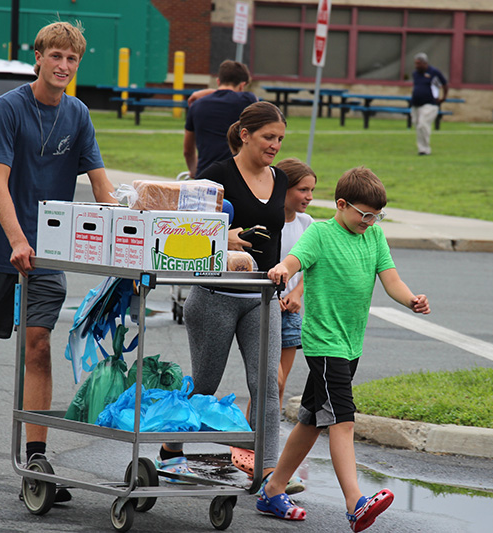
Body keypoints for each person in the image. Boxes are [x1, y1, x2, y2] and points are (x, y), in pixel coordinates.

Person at [0, 21, 117, 492]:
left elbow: (100, 185)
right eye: (55, 56)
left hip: (47, 252)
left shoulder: (78, 114)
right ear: (39, 57)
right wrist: (16, 239)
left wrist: (132, 227)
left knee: (39, 347)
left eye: (71, 59)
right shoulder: (10, 107)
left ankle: (37, 459)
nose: (63, 66)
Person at [260, 166, 430, 531]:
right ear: (341, 204)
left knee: (310, 419)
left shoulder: (374, 236)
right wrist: (282, 270)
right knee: (343, 419)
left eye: (376, 216)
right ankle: (355, 502)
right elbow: (295, 260)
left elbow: (392, 280)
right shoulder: (321, 233)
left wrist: (410, 300)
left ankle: (272, 489)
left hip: (352, 343)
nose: (369, 221)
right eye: (364, 214)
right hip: (325, 343)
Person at [157, 101, 289, 487]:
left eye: (280, 138)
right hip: (215, 293)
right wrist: (224, 236)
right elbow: (177, 231)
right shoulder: (216, 176)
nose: (274, 145)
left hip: (262, 295)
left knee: (266, 383)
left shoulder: (279, 179)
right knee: (205, 384)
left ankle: (267, 472)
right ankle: (170, 449)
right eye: (268, 137)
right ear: (244, 135)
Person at [271, 158, 316, 409]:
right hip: (264, 309)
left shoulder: (307, 224)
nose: (309, 196)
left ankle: (262, 443)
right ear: (283, 189)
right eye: (303, 190)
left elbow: (311, 267)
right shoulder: (267, 221)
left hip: (291, 313)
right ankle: (248, 441)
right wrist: (269, 298)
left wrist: (297, 293)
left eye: (311, 190)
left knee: (279, 386)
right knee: (270, 382)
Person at [183, 60, 258, 178]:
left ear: (218, 81)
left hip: (205, 175)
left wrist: (195, 172)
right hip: (237, 176)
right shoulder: (247, 100)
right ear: (242, 85)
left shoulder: (197, 106)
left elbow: (188, 151)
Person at [410, 52, 448, 156]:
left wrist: (443, 97)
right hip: (416, 105)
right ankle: (421, 148)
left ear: (424, 63)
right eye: (415, 63)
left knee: (423, 124)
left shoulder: (434, 72)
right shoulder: (415, 73)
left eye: (418, 63)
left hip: (430, 104)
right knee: (418, 126)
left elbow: (444, 84)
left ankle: (425, 149)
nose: (416, 66)